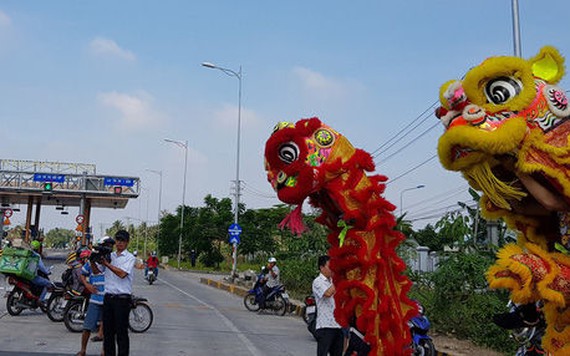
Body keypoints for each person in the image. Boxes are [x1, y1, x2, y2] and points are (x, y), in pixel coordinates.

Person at [101, 230, 135, 356]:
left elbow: (122, 274)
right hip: (108, 297)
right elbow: (96, 271)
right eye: (118, 240)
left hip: (122, 299)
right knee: (108, 333)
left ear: (127, 243)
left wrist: (106, 264)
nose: (119, 243)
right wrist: (93, 260)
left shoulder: (130, 258)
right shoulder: (109, 255)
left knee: (121, 332)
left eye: (122, 241)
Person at [312, 255, 343, 356]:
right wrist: (338, 281)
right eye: (330, 267)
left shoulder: (333, 281)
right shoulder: (317, 282)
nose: (332, 270)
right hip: (325, 326)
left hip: (338, 325)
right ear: (321, 268)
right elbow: (327, 293)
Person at [29, 240, 52, 307]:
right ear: (38, 248)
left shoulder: (26, 253)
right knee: (48, 284)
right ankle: (41, 300)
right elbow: (41, 267)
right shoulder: (36, 256)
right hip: (31, 276)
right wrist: (47, 272)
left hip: (22, 276)